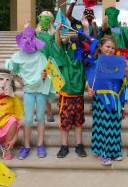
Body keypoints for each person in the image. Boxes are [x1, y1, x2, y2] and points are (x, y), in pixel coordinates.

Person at [5, 24, 55, 160]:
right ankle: (26, 146)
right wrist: (19, 81)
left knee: (40, 117)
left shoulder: (40, 56)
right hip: (28, 91)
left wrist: (45, 75)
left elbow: (47, 71)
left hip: (40, 90)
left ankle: (40, 144)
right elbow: (12, 70)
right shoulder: (17, 56)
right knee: (27, 119)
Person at [40, 23, 88, 158]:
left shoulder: (81, 60)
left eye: (76, 44)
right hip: (66, 96)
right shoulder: (63, 58)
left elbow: (87, 40)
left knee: (78, 122)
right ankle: (64, 145)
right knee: (65, 123)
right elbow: (58, 45)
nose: (74, 46)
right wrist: (57, 31)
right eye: (71, 44)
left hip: (78, 96)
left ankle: (79, 145)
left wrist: (85, 27)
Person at [87, 36, 128, 165]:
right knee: (103, 126)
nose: (110, 49)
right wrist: (89, 89)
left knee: (115, 126)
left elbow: (127, 78)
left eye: (113, 47)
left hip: (115, 98)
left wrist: (127, 70)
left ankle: (115, 151)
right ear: (100, 47)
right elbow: (89, 81)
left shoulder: (118, 62)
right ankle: (103, 153)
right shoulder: (94, 63)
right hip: (101, 100)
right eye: (107, 46)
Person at [36, 11, 57, 122]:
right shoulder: (36, 33)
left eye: (47, 18)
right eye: (43, 18)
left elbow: (56, 48)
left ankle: (48, 111)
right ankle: (45, 111)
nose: (45, 21)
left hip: (49, 63)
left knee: (47, 89)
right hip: (37, 63)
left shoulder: (53, 33)